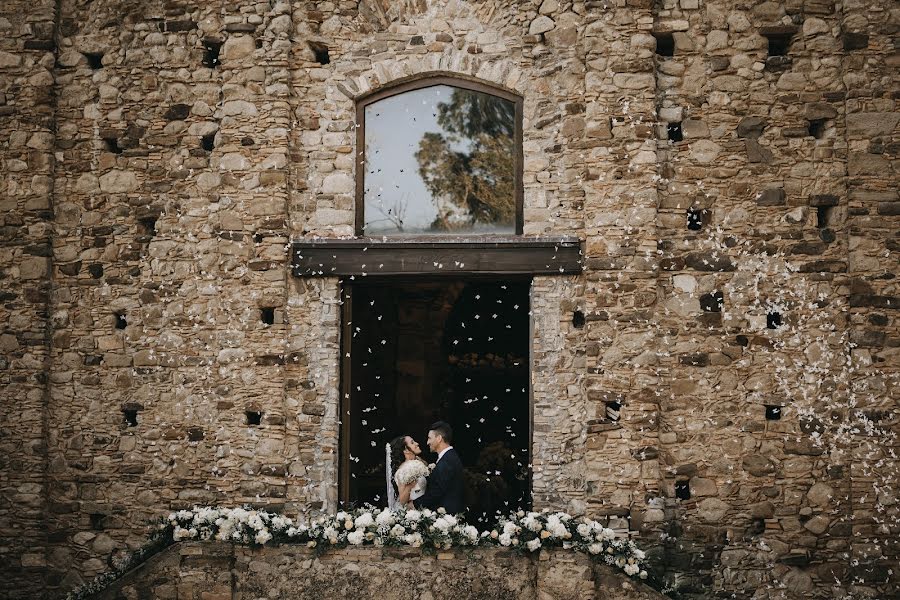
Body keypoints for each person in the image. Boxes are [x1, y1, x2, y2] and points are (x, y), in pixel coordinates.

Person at [410, 421, 465, 515]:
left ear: (439, 438)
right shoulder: (448, 457)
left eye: (429, 438)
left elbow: (438, 491)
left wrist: (415, 504)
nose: (427, 442)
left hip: (447, 515)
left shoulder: (447, 461)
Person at [385, 435, 428, 510]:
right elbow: (402, 501)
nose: (417, 443)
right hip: (412, 511)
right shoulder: (403, 470)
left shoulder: (419, 463)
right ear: (406, 450)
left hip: (424, 506)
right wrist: (410, 485)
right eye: (412, 443)